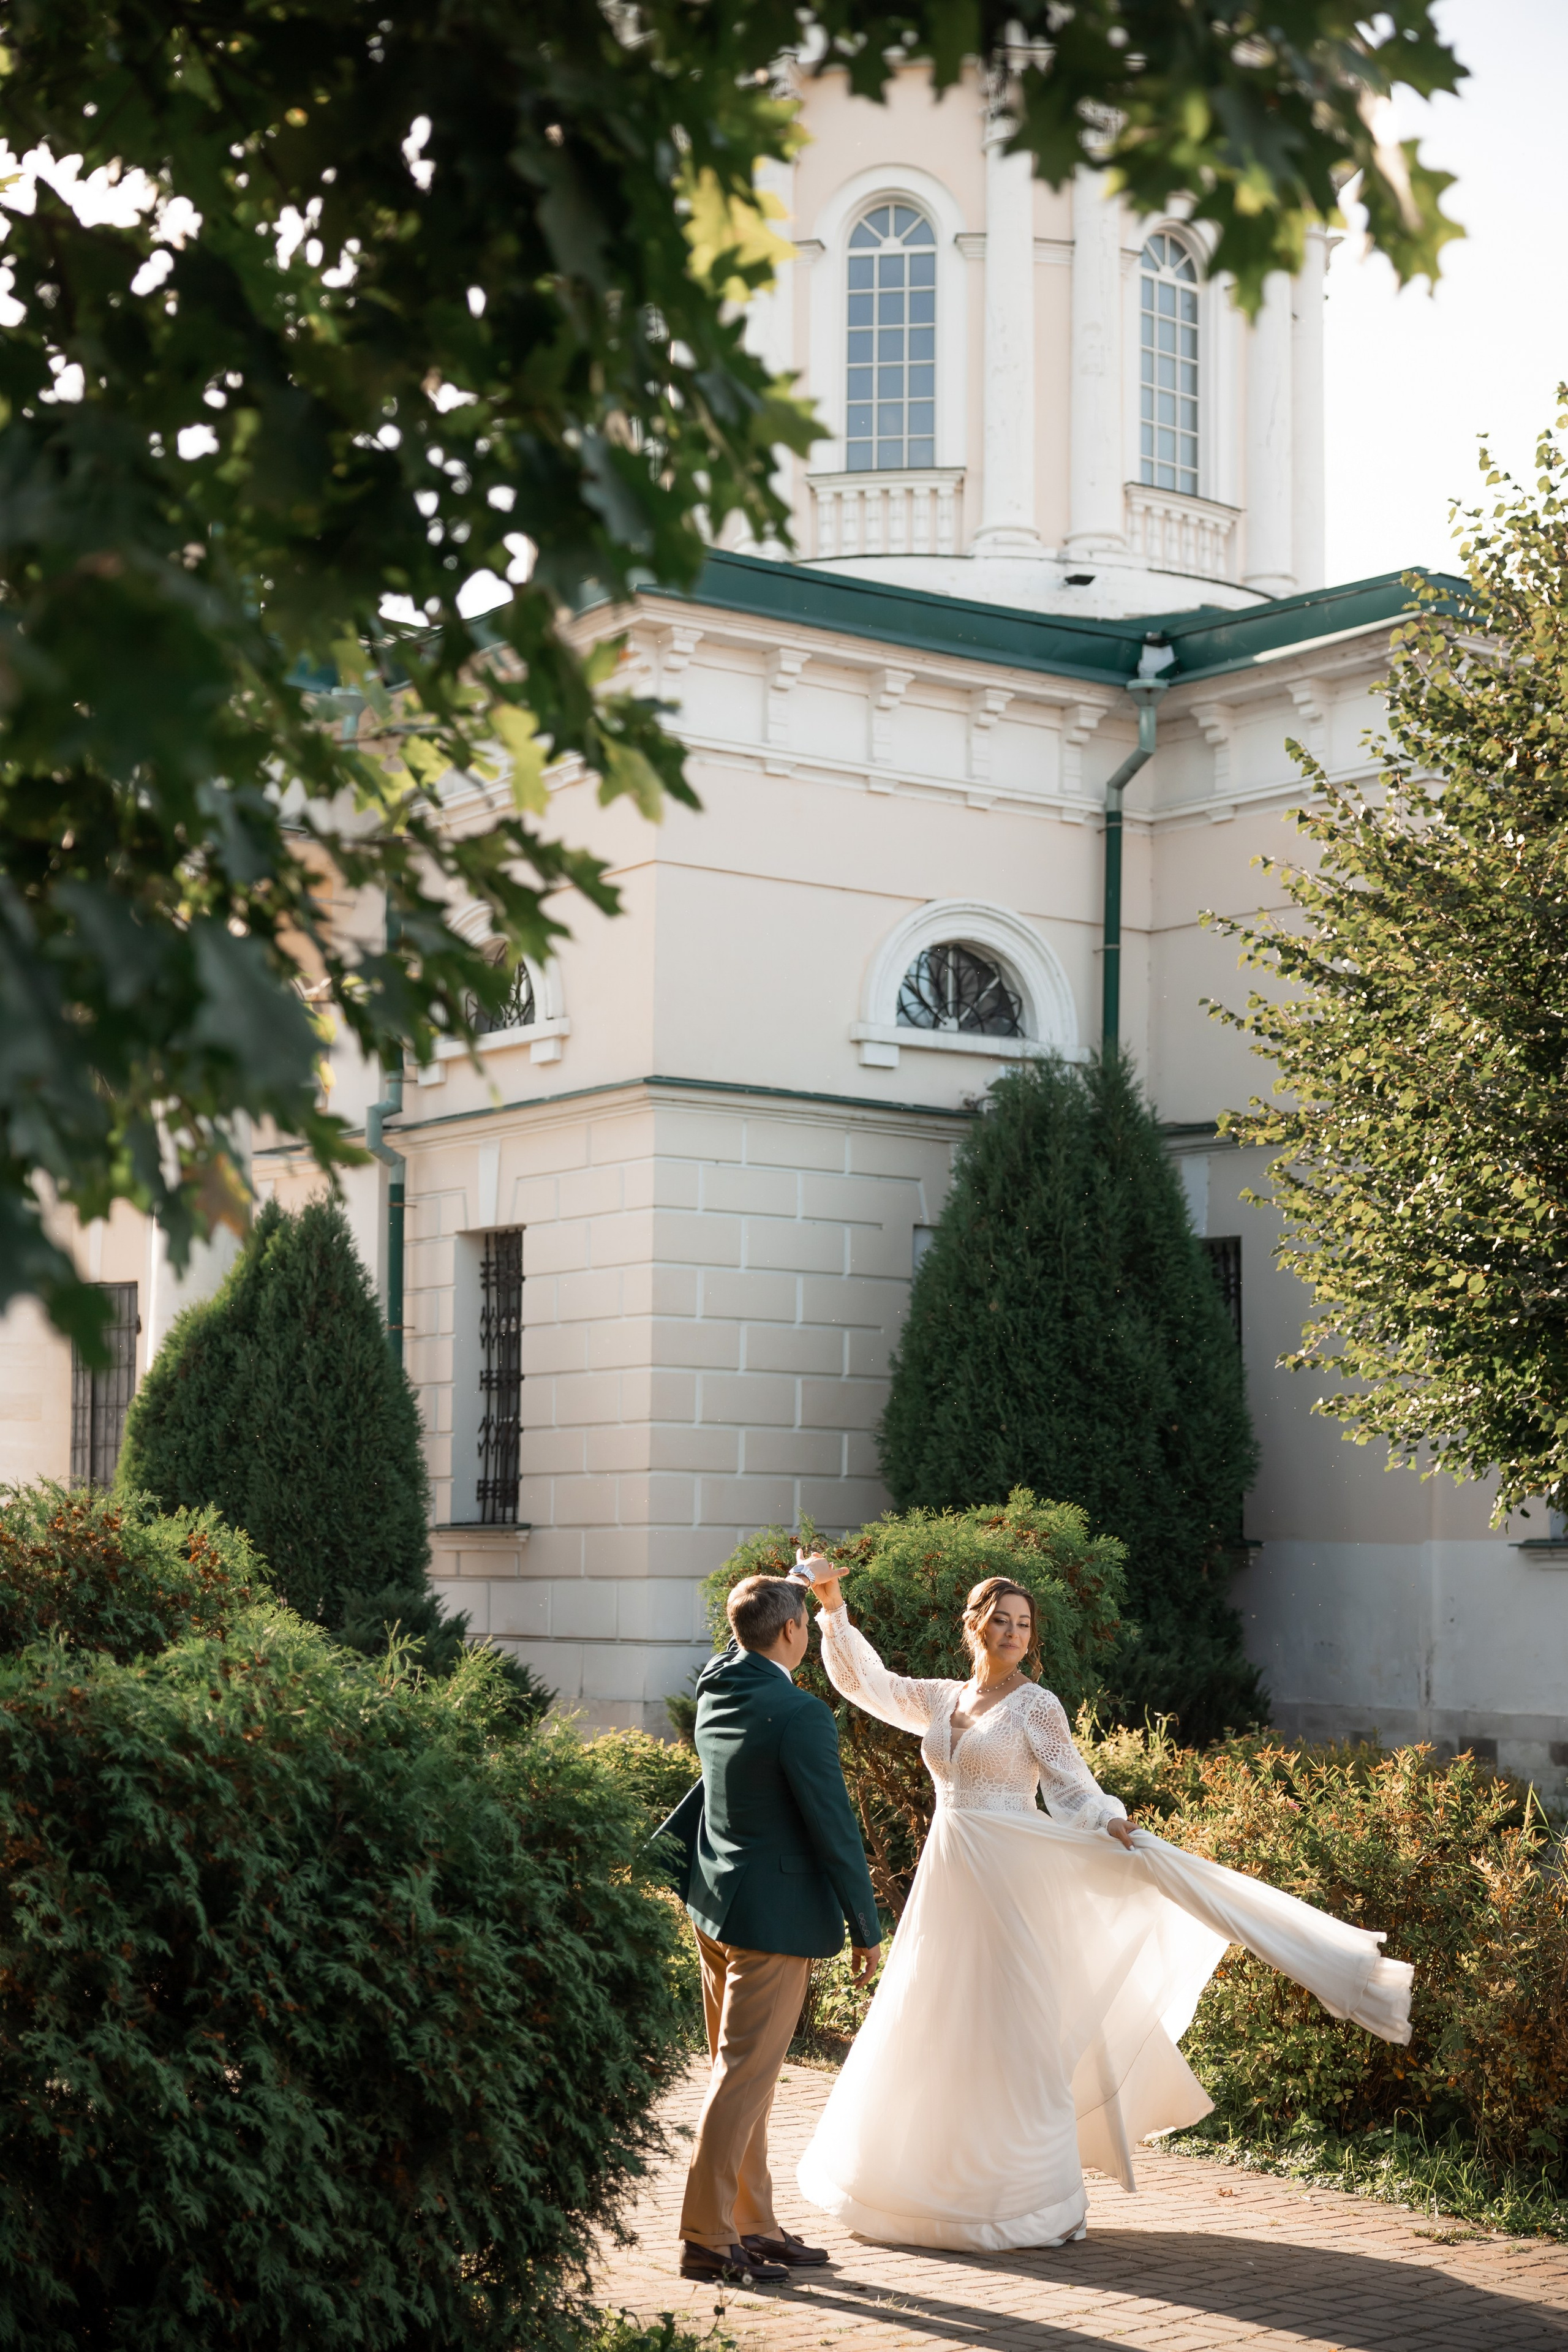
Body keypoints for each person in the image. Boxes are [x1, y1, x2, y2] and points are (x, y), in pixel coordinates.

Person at [790, 1559, 1414, 2253]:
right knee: (933, 2019)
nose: (1013, 1633)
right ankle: (919, 2190)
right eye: (1001, 1619)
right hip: (949, 1880)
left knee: (1015, 2029)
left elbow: (1074, 1789)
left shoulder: (1038, 1706)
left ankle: (1027, 2202)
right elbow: (864, 1684)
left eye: (1024, 1625)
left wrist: (1110, 1820)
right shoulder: (942, 1700)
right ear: (973, 1624)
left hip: (1012, 1883)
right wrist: (830, 1602)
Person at [655, 1572, 883, 2288]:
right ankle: (705, 2237)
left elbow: (740, 1638)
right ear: (791, 1632)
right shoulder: (799, 1714)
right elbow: (834, 1829)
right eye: (803, 1623)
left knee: (745, 2078)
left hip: (716, 1909)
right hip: (771, 1924)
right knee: (741, 2079)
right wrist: (865, 1925)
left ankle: (752, 2223)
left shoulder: (717, 1684)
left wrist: (790, 1587)